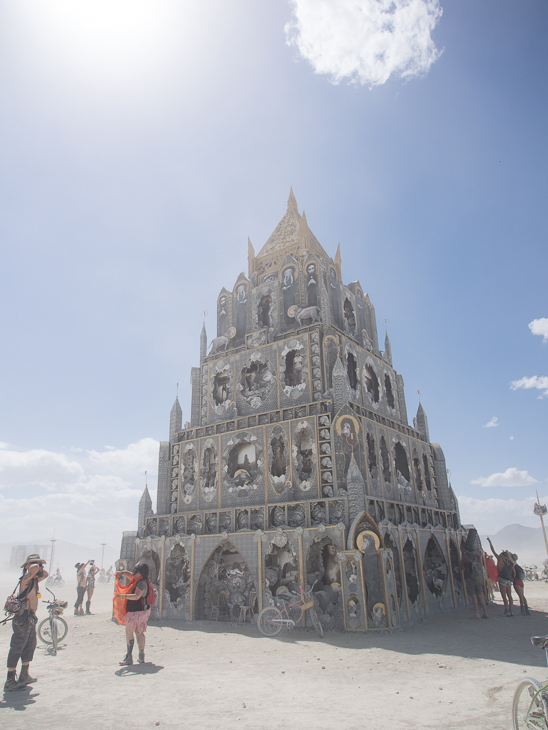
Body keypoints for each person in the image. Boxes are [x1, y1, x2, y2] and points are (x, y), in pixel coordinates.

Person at [5, 553, 48, 691]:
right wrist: (33, 566)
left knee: (30, 645)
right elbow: (34, 569)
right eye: (36, 564)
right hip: (23, 618)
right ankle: (10, 680)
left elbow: (45, 574)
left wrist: (39, 567)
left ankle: (24, 675)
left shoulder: (34, 580)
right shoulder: (25, 579)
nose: (39, 566)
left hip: (30, 616)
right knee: (17, 646)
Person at [114, 563, 152, 666]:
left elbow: (136, 596)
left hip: (136, 612)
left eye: (135, 572)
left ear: (139, 573)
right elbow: (128, 574)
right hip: (143, 612)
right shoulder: (141, 580)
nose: (133, 573)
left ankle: (129, 656)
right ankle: (141, 655)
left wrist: (123, 596)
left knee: (129, 633)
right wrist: (121, 572)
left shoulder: (141, 584)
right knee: (139, 632)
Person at [486, 537, 515, 616]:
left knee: (504, 595)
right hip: (508, 579)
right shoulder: (509, 561)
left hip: (502, 579)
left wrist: (490, 542)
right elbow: (514, 572)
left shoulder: (500, 559)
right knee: (510, 596)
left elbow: (493, 551)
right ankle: (511, 610)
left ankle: (506, 610)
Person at [459, 547, 489, 619]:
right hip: (478, 578)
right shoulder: (476, 557)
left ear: (466, 550)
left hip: (469, 578)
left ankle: (477, 613)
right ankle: (485, 612)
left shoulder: (465, 558)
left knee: (473, 596)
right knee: (480, 594)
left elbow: (460, 567)